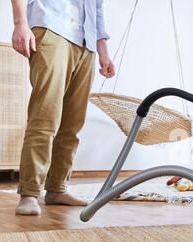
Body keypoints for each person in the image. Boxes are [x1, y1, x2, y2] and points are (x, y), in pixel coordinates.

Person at [11, 0, 115, 215]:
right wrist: (20, 24)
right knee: (45, 116)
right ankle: (30, 192)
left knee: (72, 123)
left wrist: (102, 49)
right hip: (53, 28)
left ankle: (57, 189)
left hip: (86, 43)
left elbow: (97, 7)